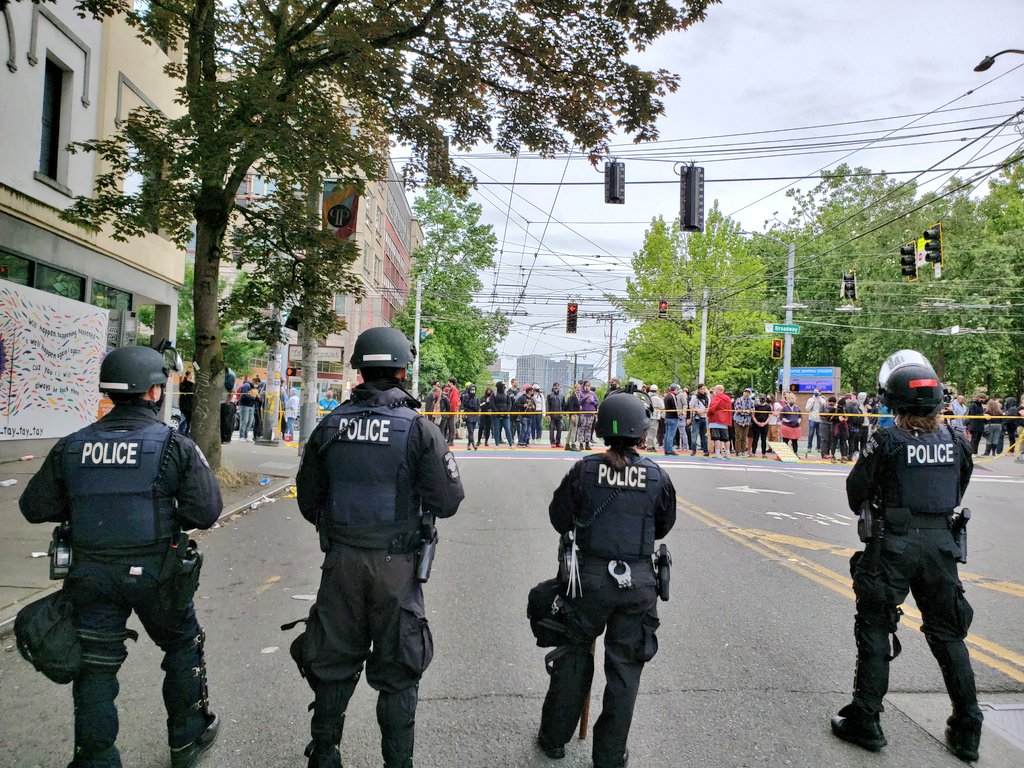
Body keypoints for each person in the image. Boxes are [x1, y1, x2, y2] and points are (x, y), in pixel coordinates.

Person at [20, 345, 222, 768]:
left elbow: (34, 506)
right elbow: (205, 511)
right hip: (157, 572)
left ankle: (96, 758)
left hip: (90, 572)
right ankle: (187, 738)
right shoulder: (174, 445)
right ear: (154, 392)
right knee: (183, 644)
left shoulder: (72, 445)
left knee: (95, 665)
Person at [295, 327, 465, 768]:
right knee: (398, 670)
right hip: (397, 568)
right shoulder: (419, 430)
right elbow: (447, 502)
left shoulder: (329, 426)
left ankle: (325, 753)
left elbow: (309, 500)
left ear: (358, 371)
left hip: (341, 565)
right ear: (403, 370)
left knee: (333, 660)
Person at [831, 349, 982, 762]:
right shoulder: (956, 440)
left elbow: (855, 492)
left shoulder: (886, 441)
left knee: (876, 629)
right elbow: (959, 486)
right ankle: (968, 726)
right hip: (940, 546)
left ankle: (867, 718)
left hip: (892, 545)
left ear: (892, 400)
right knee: (948, 634)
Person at [537, 392, 676, 768]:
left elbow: (559, 519)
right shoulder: (657, 476)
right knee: (625, 671)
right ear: (641, 433)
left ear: (600, 429)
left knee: (574, 657)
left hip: (588, 583)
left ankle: (554, 739)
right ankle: (610, 756)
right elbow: (663, 525)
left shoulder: (583, 470)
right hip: (637, 584)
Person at [706, 384, 732, 459]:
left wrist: (708, 412)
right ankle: (728, 453)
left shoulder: (716, 398)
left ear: (718, 390)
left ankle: (717, 453)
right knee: (726, 438)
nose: (714, 391)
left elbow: (713, 408)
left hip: (715, 420)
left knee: (716, 438)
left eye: (714, 389)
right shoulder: (727, 398)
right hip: (725, 421)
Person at [490, 381, 514, 448]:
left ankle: (510, 444)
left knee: (507, 429)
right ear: (499, 387)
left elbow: (509, 403)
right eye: (503, 386)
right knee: (497, 429)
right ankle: (497, 444)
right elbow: (492, 404)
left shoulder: (506, 394)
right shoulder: (494, 394)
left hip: (505, 415)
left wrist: (507, 412)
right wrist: (497, 412)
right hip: (496, 415)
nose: (504, 387)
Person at [733, 388, 755, 457]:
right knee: (738, 437)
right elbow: (738, 409)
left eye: (748, 392)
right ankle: (738, 452)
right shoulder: (739, 400)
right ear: (743, 392)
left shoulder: (751, 401)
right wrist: (747, 411)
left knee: (744, 437)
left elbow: (753, 409)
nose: (746, 393)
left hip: (747, 421)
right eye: (745, 392)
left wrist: (748, 411)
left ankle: (743, 451)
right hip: (738, 420)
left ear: (750, 394)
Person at [688, 384, 709, 456]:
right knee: (694, 434)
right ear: (698, 389)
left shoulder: (707, 397)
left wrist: (705, 411)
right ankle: (693, 450)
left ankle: (705, 450)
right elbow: (691, 406)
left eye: (704, 389)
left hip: (705, 417)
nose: (703, 390)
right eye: (701, 389)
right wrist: (697, 411)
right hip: (696, 417)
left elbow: (709, 407)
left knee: (705, 435)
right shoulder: (694, 397)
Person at [578, 380, 599, 451]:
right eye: (586, 385)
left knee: (589, 429)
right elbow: (579, 402)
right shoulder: (580, 393)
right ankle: (581, 443)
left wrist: (592, 401)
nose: (587, 387)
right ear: (583, 386)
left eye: (588, 385)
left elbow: (597, 402)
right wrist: (585, 398)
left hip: (591, 414)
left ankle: (587, 443)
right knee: (582, 428)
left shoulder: (592, 393)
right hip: (583, 413)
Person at [662, 384, 681, 455]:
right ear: (675, 389)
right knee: (671, 435)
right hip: (673, 418)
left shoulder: (666, 396)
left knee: (667, 434)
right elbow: (675, 408)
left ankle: (666, 449)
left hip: (667, 417)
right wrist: (678, 414)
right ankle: (669, 450)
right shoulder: (673, 397)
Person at [805, 389, 825, 456]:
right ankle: (809, 447)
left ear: (820, 393)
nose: (816, 393)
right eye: (815, 392)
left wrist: (819, 400)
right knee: (811, 434)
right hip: (812, 419)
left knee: (819, 434)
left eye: (817, 392)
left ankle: (819, 447)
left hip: (819, 419)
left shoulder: (822, 400)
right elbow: (807, 409)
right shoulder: (810, 399)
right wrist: (813, 402)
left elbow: (824, 408)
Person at [645, 384, 665, 452]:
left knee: (650, 431)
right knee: (653, 432)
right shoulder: (656, 398)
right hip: (655, 416)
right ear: (656, 390)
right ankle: (649, 447)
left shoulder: (647, 396)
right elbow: (662, 406)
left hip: (648, 415)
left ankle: (652, 446)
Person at [462, 384, 482, 450]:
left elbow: (477, 408)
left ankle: (468, 444)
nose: (473, 391)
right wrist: (471, 406)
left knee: (472, 431)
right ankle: (473, 445)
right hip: (468, 416)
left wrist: (471, 406)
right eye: (471, 389)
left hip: (475, 416)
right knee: (470, 431)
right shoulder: (465, 397)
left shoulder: (477, 399)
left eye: (474, 390)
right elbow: (465, 405)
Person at [564, 382, 582, 452]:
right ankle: (573, 445)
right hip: (574, 414)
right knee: (574, 430)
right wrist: (572, 416)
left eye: (580, 388)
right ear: (574, 389)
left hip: (576, 414)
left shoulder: (577, 396)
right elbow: (570, 407)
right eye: (578, 388)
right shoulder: (573, 396)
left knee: (571, 430)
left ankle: (567, 444)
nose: (579, 390)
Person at [178, 369, 196, 436]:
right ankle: (181, 434)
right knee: (184, 421)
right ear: (187, 376)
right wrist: (190, 382)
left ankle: (185, 433)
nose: (192, 377)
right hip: (186, 406)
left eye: (192, 375)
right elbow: (185, 390)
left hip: (189, 406)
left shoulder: (192, 384)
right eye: (190, 375)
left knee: (188, 422)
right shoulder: (185, 384)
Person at [547, 383, 565, 448]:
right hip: (552, 415)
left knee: (559, 429)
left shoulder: (562, 395)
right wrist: (548, 414)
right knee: (551, 429)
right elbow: (548, 405)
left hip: (559, 416)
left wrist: (563, 413)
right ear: (553, 387)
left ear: (559, 387)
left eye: (557, 386)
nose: (556, 387)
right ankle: (552, 442)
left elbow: (563, 405)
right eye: (555, 386)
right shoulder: (550, 395)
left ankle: (558, 442)